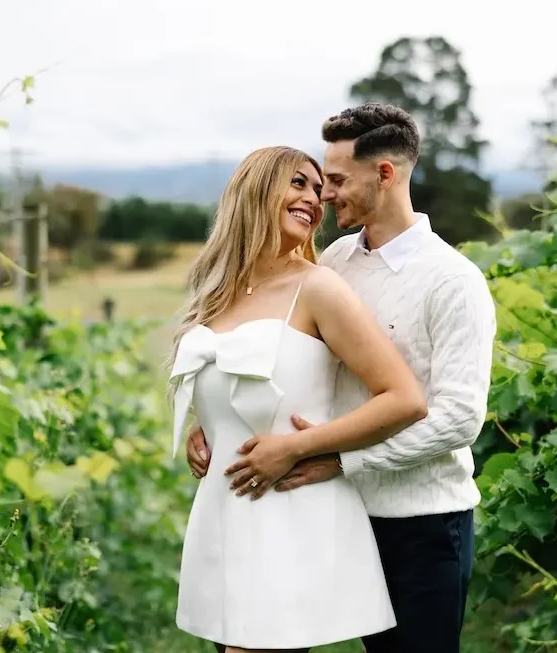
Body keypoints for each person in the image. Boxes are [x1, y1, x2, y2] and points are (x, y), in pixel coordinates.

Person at [185, 104, 497, 653]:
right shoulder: (334, 261)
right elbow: (289, 362)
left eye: (334, 180)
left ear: (384, 174)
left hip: (416, 521)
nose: (324, 195)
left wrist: (338, 460)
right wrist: (217, 418)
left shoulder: (453, 280)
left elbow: (458, 419)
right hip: (327, 505)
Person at [168, 144, 429, 653]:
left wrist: (299, 449)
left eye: (318, 188)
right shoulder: (216, 293)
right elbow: (234, 386)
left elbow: (403, 398)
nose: (314, 197)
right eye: (298, 183)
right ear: (255, 189)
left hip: (289, 511)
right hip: (228, 510)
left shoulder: (318, 288)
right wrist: (208, 427)